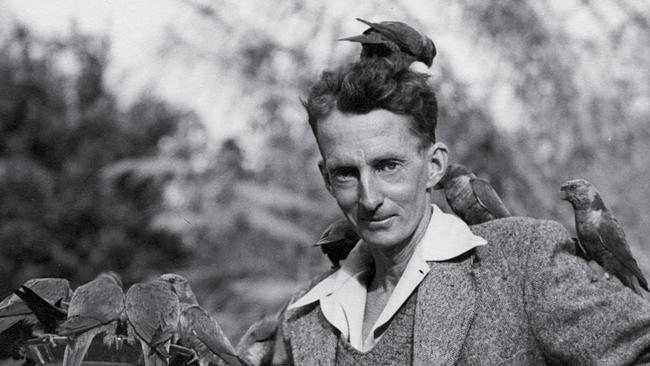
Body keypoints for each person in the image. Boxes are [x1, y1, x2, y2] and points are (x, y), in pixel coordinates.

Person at [269, 25, 650, 365]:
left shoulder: (522, 263)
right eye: (347, 174)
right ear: (326, 180)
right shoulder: (305, 315)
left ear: (434, 166)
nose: (370, 198)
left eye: (388, 166)